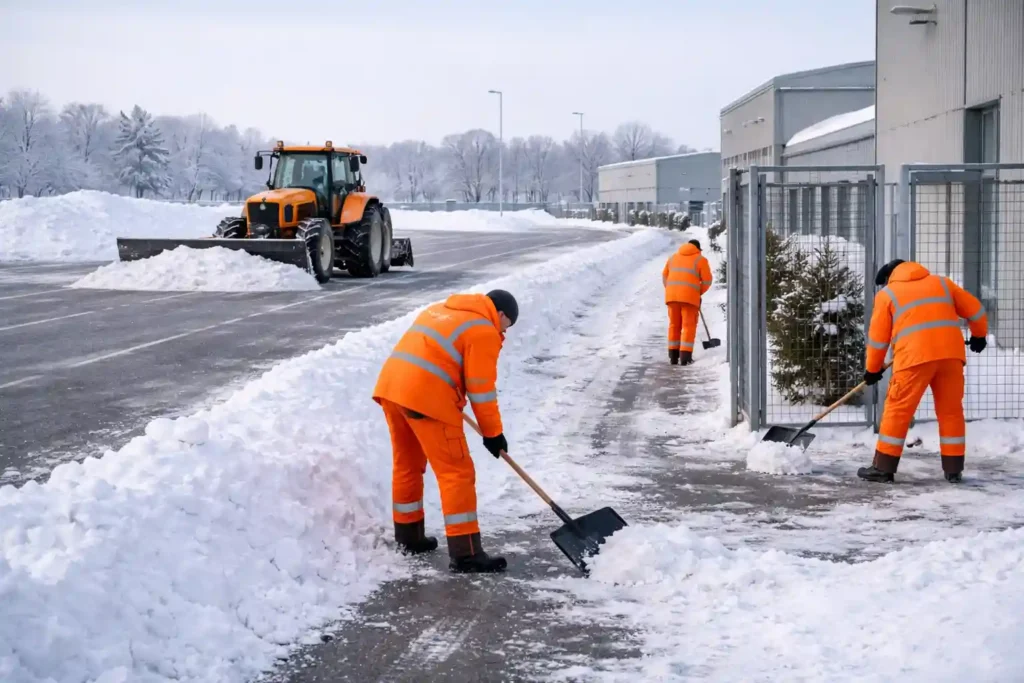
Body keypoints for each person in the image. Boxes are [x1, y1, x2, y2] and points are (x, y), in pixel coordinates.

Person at [372, 289, 518, 573]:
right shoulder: (483, 330)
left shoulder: (441, 309)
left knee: (408, 465)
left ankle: (409, 537)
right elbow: (482, 390)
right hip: (427, 398)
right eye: (506, 326)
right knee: (457, 472)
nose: (504, 333)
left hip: (392, 389)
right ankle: (466, 554)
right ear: (500, 314)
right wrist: (493, 433)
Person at [858, 259, 988, 484]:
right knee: (951, 412)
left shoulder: (887, 295)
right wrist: (979, 335)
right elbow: (975, 310)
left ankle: (883, 467)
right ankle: (954, 469)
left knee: (898, 410)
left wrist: (872, 369)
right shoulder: (942, 284)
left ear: (890, 277)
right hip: (950, 357)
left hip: (914, 360)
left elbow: (878, 340)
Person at [662, 238, 713, 365]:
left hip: (672, 297)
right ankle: (685, 357)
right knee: (688, 326)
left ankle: (673, 356)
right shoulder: (700, 260)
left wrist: (671, 290)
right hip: (689, 298)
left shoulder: (673, 257)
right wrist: (697, 292)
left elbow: (664, 276)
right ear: (697, 249)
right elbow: (707, 281)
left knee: (674, 325)